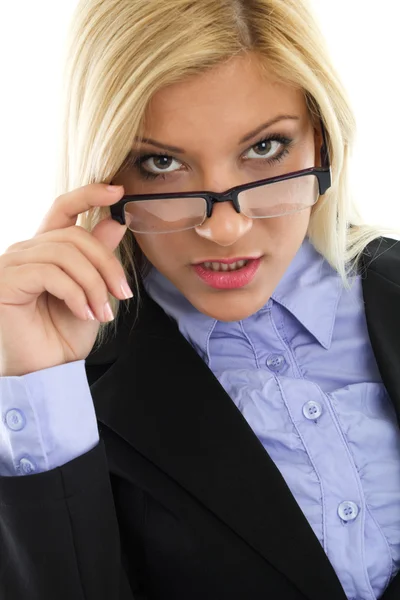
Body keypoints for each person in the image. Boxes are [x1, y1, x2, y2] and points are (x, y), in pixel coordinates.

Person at [0, 0, 400, 598]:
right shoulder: (57, 391)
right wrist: (41, 382)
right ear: (107, 171)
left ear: (322, 139)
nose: (224, 229)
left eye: (265, 148)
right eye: (161, 163)